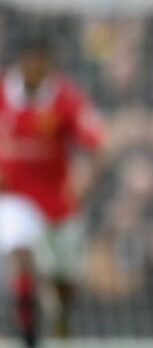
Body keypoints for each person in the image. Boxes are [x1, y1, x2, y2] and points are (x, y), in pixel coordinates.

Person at [0, 34, 106, 346]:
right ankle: (30, 337)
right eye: (30, 62)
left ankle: (61, 315)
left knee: (64, 279)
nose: (35, 69)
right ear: (20, 62)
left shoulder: (66, 98)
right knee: (22, 253)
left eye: (41, 63)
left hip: (57, 200)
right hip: (14, 197)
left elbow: (98, 144)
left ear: (49, 65)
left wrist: (85, 183)